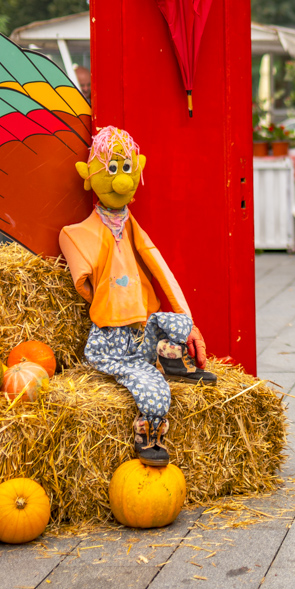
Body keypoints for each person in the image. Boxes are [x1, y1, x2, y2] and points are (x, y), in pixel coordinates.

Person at [59, 127, 218, 468]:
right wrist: (111, 306)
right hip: (113, 340)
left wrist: (191, 326)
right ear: (90, 177)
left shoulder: (131, 226)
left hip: (141, 329)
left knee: (173, 322)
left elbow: (160, 268)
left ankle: (172, 359)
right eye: (112, 169)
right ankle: (150, 431)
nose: (121, 181)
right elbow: (83, 285)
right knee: (154, 390)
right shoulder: (77, 235)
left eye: (127, 169)